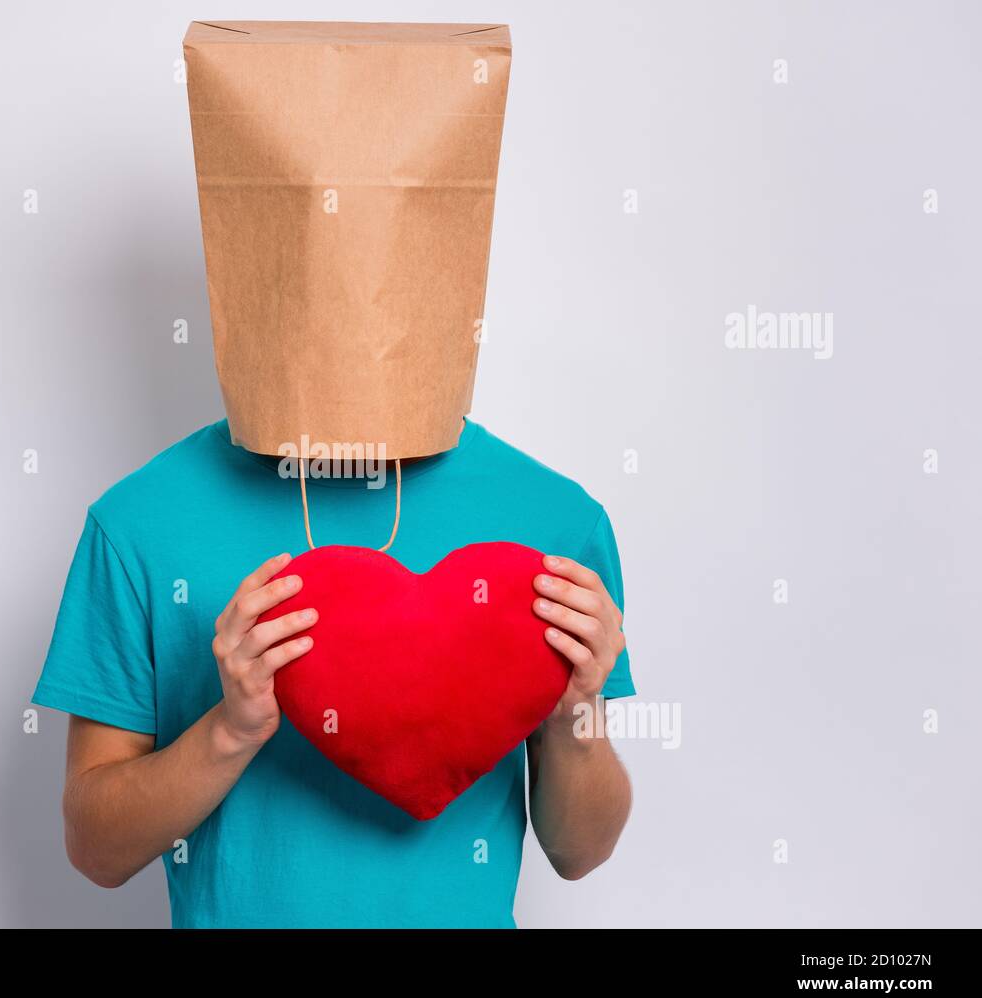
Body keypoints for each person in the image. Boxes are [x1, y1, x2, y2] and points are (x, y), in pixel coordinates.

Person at [32, 20, 634, 928]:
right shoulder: (139, 525)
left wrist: (573, 713)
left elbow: (579, 851)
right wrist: (229, 731)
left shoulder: (552, 527)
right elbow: (94, 849)